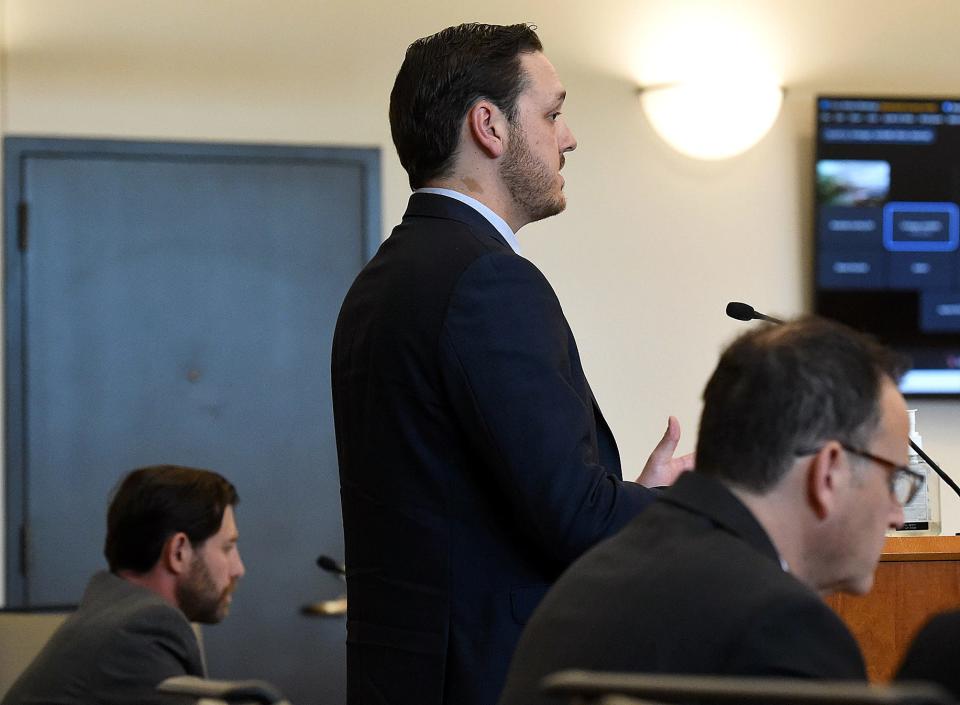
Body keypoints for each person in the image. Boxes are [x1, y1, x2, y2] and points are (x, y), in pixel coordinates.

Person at [331, 22, 690, 705]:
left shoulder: (381, 280)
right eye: (552, 114)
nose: (569, 137)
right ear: (488, 126)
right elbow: (575, 519)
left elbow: (494, 504)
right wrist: (689, 506)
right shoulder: (489, 281)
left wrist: (632, 493)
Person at [497, 317, 916, 705]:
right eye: (893, 480)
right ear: (830, 473)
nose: (897, 513)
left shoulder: (591, 578)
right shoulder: (783, 627)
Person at [2, 465, 245, 705]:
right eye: (227, 548)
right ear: (179, 552)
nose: (238, 569)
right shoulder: (143, 630)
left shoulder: (112, 615)